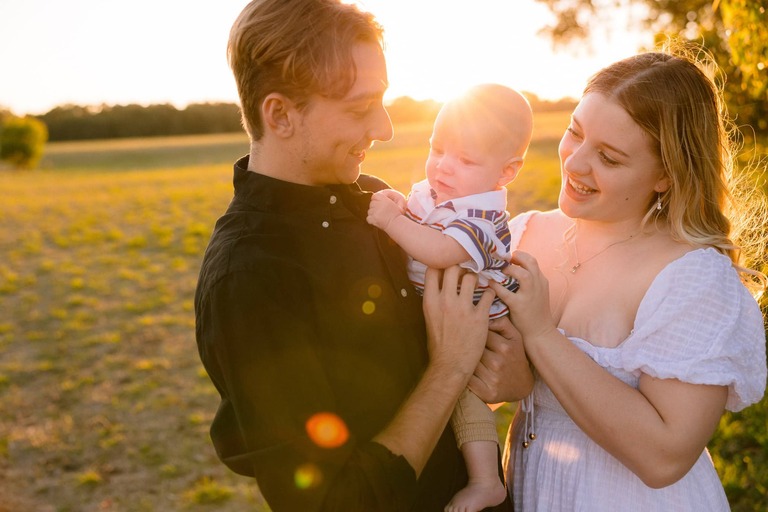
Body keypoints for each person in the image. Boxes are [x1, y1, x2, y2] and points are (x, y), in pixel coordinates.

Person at [193, 0, 530, 510]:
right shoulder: (249, 278)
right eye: (358, 107)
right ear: (280, 114)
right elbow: (334, 501)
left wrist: (506, 369)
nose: (386, 128)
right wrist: (449, 369)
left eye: (383, 100)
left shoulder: (373, 199)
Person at [486, 46, 767, 510]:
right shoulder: (523, 234)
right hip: (533, 491)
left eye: (609, 158)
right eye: (575, 133)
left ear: (665, 175)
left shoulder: (691, 276)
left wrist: (539, 335)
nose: (575, 163)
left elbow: (664, 457)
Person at [366, 83, 534, 512]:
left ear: (506, 172)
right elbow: (418, 215)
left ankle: (485, 480)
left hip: (480, 328)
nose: (443, 166)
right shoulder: (444, 195)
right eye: (437, 148)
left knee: (466, 398)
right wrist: (398, 203)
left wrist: (389, 221)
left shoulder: (482, 217)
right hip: (444, 314)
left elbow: (440, 250)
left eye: (465, 159)